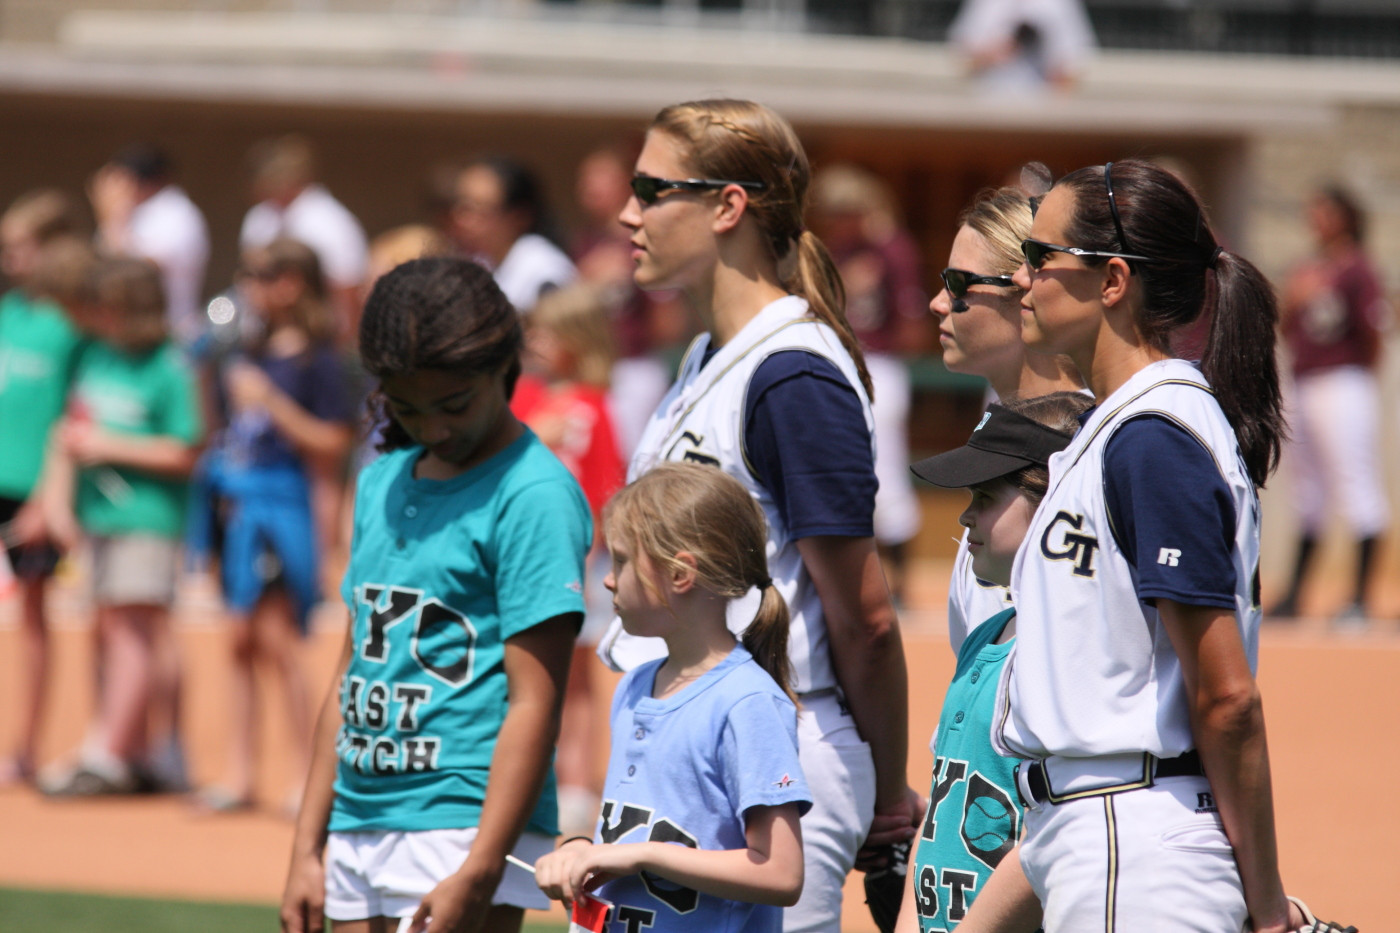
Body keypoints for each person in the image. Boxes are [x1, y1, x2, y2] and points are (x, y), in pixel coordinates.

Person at [594, 98, 912, 933]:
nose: (628, 212)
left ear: (727, 206)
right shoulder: (707, 356)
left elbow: (865, 618)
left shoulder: (793, 375)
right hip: (691, 733)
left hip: (779, 745)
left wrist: (887, 792)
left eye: (652, 188)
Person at [987, 160, 1302, 933]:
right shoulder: (1121, 428)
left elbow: (1226, 697)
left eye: (1040, 258)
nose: (1021, 280)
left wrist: (1266, 909)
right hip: (1096, 829)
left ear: (1113, 281)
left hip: (1137, 844)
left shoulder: (1155, 438)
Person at [280, 257, 591, 933]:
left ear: (504, 365)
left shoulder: (532, 495)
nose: (433, 427)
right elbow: (348, 675)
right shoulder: (381, 480)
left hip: (461, 817)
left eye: (454, 404)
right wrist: (308, 845)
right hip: (359, 814)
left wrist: (482, 865)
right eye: (406, 406)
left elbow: (536, 701)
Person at [535, 462, 810, 931]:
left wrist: (642, 856)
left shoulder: (747, 702)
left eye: (620, 561)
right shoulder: (634, 685)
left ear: (681, 574)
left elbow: (781, 873)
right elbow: (629, 830)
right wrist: (580, 850)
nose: (607, 578)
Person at [894, 393, 1092, 933]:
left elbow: (1050, 838)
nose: (964, 515)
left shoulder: (1072, 657)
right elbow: (942, 804)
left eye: (985, 497)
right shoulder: (985, 636)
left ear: (1052, 504)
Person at [196, 238, 357, 813]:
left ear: (293, 282)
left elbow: (333, 443)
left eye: (266, 275)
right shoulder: (247, 350)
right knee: (239, 641)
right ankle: (239, 774)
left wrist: (272, 403)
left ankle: (303, 774)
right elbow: (220, 431)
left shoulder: (319, 360)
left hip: (282, 509)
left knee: (278, 640)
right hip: (236, 507)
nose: (255, 286)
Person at [39, 256, 203, 797]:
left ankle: (109, 754)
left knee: (132, 630)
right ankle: (128, 747)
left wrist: (108, 446)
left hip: (147, 518)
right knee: (107, 630)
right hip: (98, 517)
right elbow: (69, 428)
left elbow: (187, 449)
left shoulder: (170, 366)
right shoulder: (95, 356)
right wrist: (57, 500)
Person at [927, 184, 1085, 652]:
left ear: (1024, 291)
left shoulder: (1082, 447)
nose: (938, 302)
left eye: (958, 285)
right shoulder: (1004, 428)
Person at [512, 283, 627, 835]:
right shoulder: (526, 399)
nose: (536, 339)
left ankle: (578, 785)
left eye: (548, 331)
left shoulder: (595, 405)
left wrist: (597, 556)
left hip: (581, 562)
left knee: (579, 679)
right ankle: (537, 775)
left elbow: (609, 488)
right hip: (528, 561)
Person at [1270, 185, 1390, 627]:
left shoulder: (1359, 268)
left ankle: (1361, 596)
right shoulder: (1309, 269)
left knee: (1356, 483)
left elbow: (1374, 331)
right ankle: (1297, 593)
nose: (1316, 219)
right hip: (1304, 380)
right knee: (1308, 490)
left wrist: (1363, 377)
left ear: (1345, 217)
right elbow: (1287, 328)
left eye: (1324, 212)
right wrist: (1294, 298)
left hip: (1344, 379)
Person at [809, 164, 928, 605]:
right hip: (837, 360)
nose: (836, 221)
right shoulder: (831, 253)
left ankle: (898, 580)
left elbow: (913, 332)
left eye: (845, 211)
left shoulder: (891, 250)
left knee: (886, 472)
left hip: (879, 366)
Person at [0, 190, 87, 786]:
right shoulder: (9, 312)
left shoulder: (70, 326)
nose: (9, 257)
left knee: (33, 615)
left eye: (20, 247)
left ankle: (25, 748)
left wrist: (44, 498)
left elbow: (72, 414)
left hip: (33, 489)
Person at [240, 134, 370, 345]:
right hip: (264, 339)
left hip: (319, 342)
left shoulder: (331, 221)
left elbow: (347, 291)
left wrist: (344, 347)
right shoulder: (258, 218)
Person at [90, 144, 210, 346]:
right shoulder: (129, 213)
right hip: (128, 337)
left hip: (170, 339)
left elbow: (137, 274)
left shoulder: (176, 212)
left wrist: (111, 220)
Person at [450, 156, 577, 315]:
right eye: (460, 206)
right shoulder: (483, 262)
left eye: (478, 209)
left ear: (519, 216)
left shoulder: (543, 271)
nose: (462, 219)